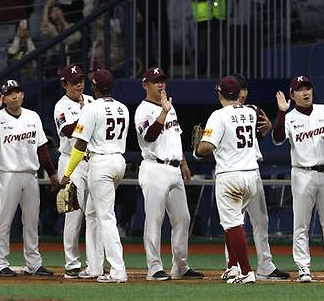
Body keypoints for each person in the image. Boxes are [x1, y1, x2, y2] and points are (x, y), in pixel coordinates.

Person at [273, 75, 324, 283]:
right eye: (300, 89)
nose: (305, 92)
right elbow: (278, 139)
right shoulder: (289, 117)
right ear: (292, 94)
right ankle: (303, 268)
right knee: (301, 224)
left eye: (307, 88)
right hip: (302, 173)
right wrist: (282, 113)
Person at [134, 67, 204, 281]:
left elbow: (175, 137)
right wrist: (163, 112)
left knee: (183, 218)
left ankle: (180, 267)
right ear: (145, 85)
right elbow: (150, 136)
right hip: (154, 168)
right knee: (155, 219)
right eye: (156, 81)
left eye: (163, 80)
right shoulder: (143, 110)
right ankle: (154, 268)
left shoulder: (169, 107)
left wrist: (183, 163)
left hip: (173, 168)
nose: (161, 84)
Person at [61, 69, 130, 283]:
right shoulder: (123, 108)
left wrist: (67, 172)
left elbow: (80, 144)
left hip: (100, 163)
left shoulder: (91, 109)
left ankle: (118, 270)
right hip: (119, 160)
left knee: (105, 217)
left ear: (94, 87)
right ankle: (95, 266)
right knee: (92, 214)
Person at [0, 80, 57, 277]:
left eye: (17, 91)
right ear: (3, 98)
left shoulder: (33, 116)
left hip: (30, 175)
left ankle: (34, 263)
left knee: (32, 221)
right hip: (8, 174)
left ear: (23, 94)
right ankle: (1, 263)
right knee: (5, 220)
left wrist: (52, 174)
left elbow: (42, 148)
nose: (14, 95)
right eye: (9, 93)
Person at [193, 76, 262, 284]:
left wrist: (198, 148)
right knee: (232, 222)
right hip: (251, 175)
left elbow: (206, 147)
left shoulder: (218, 115)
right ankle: (232, 266)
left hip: (230, 176)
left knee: (232, 224)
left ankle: (246, 271)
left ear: (220, 93)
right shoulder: (250, 112)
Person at [227, 75, 290, 281]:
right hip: (232, 172)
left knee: (261, 221)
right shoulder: (222, 114)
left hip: (252, 169)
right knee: (233, 224)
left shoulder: (253, 111)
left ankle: (265, 265)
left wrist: (268, 130)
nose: (242, 93)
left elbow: (256, 137)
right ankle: (233, 267)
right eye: (239, 89)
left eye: (244, 89)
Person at [53, 64, 103, 279]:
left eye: (81, 80)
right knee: (73, 214)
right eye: (74, 82)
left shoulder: (92, 100)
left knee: (96, 214)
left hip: (91, 161)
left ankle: (95, 263)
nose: (79, 84)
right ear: (65, 84)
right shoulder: (60, 106)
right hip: (70, 162)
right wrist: (85, 114)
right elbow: (67, 130)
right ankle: (72, 263)